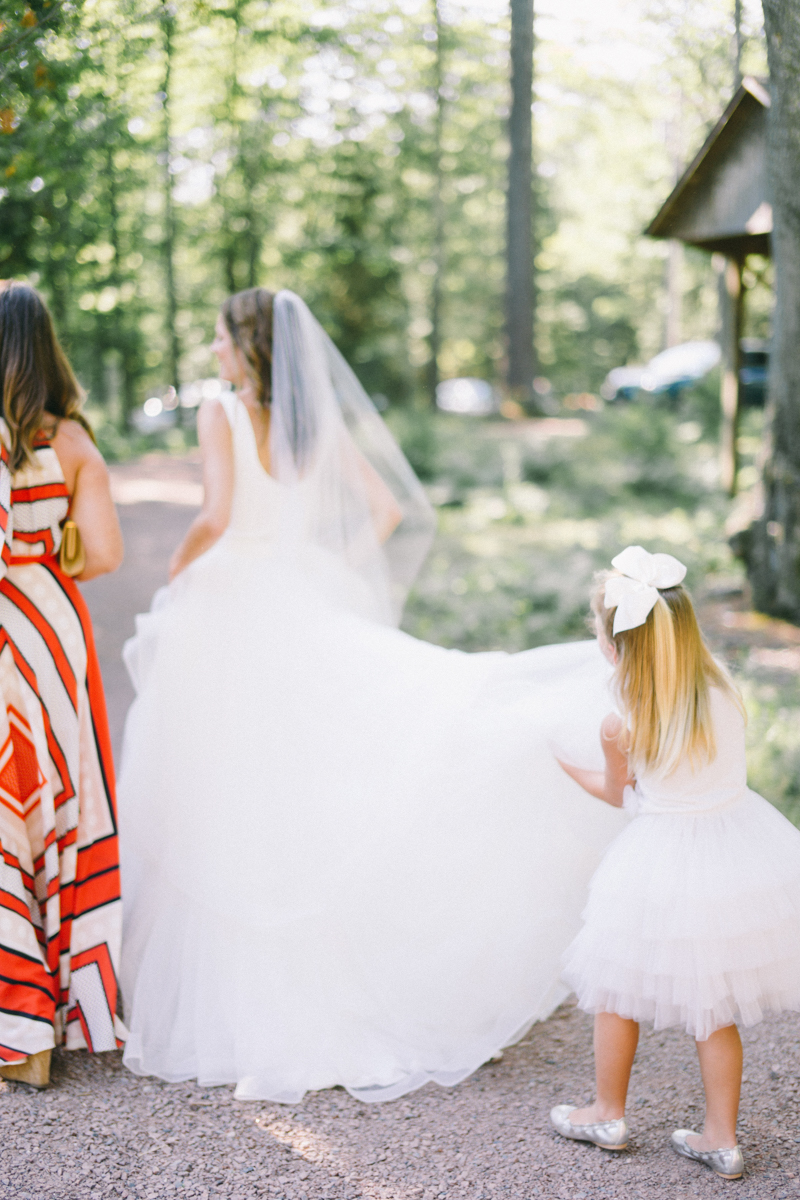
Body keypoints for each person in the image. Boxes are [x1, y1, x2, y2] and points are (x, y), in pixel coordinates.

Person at [118, 287, 627, 1103]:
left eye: (220, 339)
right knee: (315, 780)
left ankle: (233, 985)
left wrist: (179, 577)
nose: (213, 353)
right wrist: (322, 565)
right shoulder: (312, 425)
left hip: (233, 611)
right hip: (294, 597)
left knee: (232, 793)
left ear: (247, 346)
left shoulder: (221, 413)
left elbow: (214, 515)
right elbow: (387, 509)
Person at [550, 546, 800, 1179]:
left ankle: (607, 1110)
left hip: (660, 859)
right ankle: (722, 1138)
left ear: (613, 648)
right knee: (710, 1004)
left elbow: (618, 794)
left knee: (616, 989)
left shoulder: (623, 721)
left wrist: (561, 765)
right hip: (736, 850)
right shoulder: (720, 684)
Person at [0, 281, 125, 1089]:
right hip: (51, 632)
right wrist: (55, 546)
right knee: (59, 803)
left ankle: (14, 1028)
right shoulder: (71, 439)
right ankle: (53, 1023)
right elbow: (104, 556)